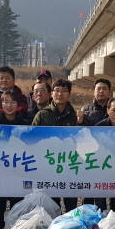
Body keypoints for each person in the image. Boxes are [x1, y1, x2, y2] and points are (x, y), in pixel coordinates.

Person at [0, 90, 30, 229]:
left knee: (16, 206)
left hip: (19, 171)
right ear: (1, 104)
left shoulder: (25, 124)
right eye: (5, 102)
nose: (9, 105)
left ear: (18, 105)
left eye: (12, 102)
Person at [32, 79, 79, 212]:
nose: (60, 94)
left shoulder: (76, 116)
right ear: (52, 94)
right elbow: (31, 140)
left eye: (64, 91)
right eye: (57, 90)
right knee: (52, 206)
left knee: (71, 206)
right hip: (48, 167)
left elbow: (83, 140)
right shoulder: (42, 115)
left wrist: (81, 123)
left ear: (69, 94)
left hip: (70, 166)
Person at [80, 78, 112, 211]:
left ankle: (108, 220)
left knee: (110, 190)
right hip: (91, 157)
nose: (101, 91)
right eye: (98, 88)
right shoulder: (86, 110)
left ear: (109, 91)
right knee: (89, 192)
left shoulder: (114, 108)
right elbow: (81, 133)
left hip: (110, 156)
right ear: (94, 91)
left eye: (104, 88)